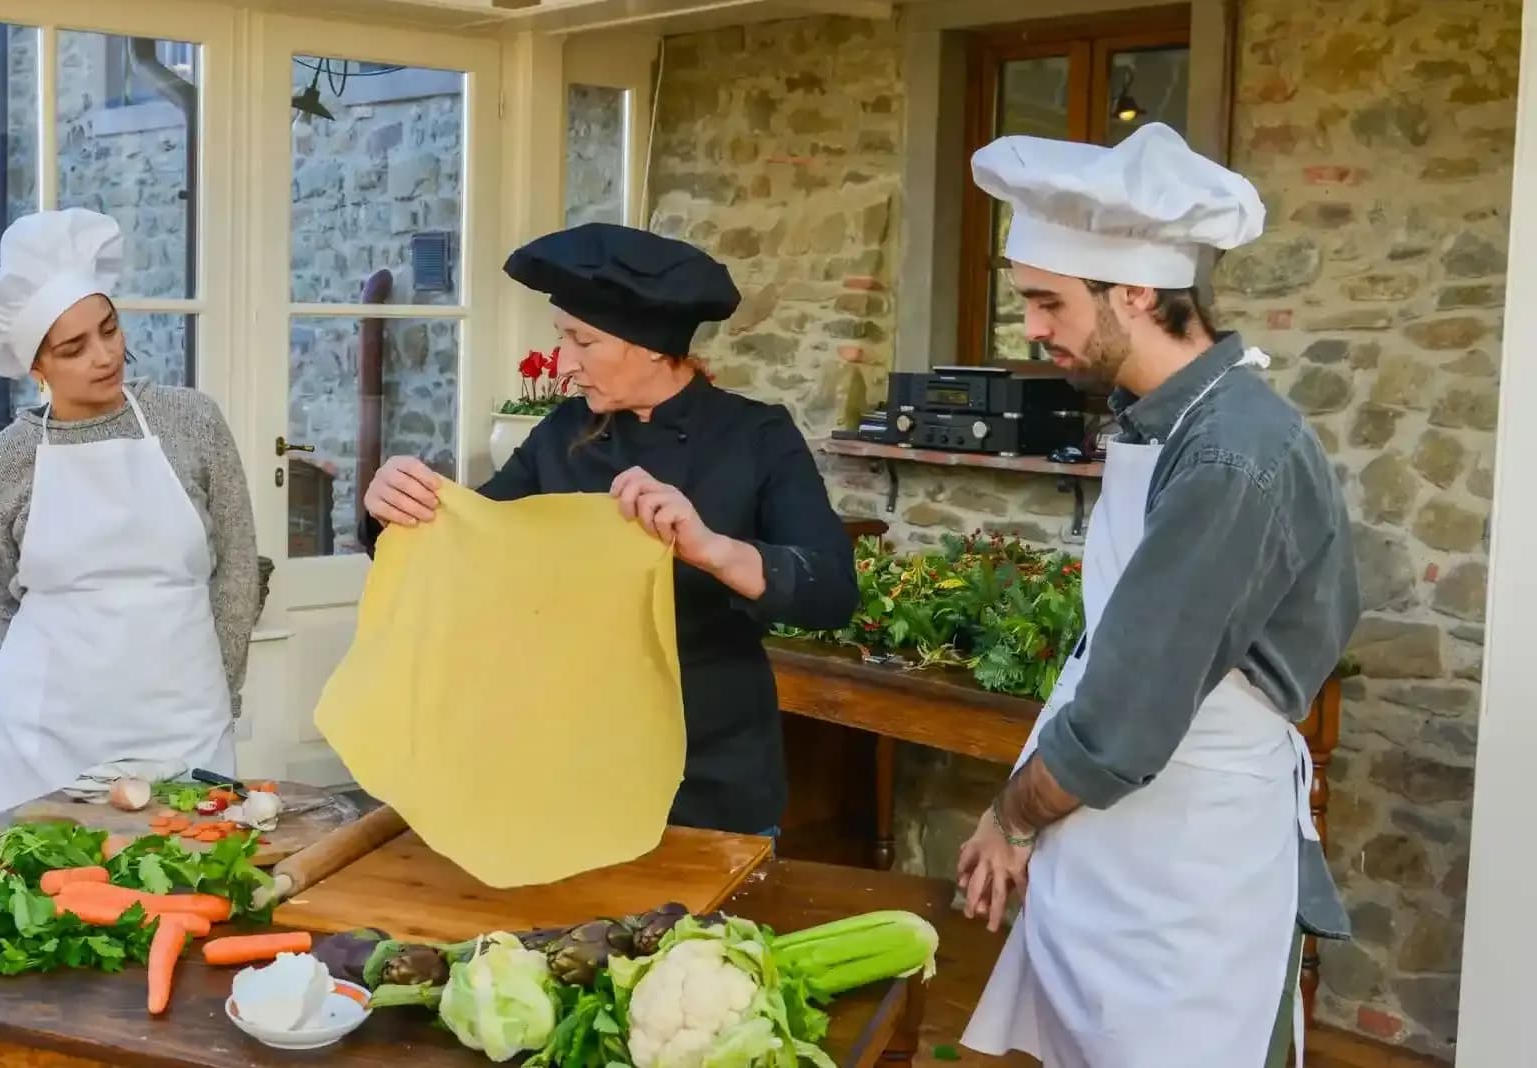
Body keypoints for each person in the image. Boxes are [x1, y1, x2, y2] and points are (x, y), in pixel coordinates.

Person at [955, 123, 1360, 1068]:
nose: (1033, 329)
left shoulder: (1232, 452)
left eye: (1047, 303)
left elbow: (1130, 713)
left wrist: (1011, 816)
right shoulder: (1164, 420)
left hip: (1190, 867)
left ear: (1135, 292)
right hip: (1122, 844)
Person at [359, 222, 857, 837]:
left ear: (650, 344)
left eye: (583, 341)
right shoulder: (562, 433)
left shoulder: (757, 438)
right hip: (570, 768)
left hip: (710, 778)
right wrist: (391, 511)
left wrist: (712, 550)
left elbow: (833, 592)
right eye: (561, 338)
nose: (565, 365)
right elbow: (469, 548)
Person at [0, 208, 261, 816]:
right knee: (38, 896)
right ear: (36, 366)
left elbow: (237, 568)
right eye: (73, 347)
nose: (103, 356)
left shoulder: (192, 422)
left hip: (185, 717)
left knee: (184, 888)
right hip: (44, 733)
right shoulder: (2, 462)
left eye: (109, 329)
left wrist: (219, 687)